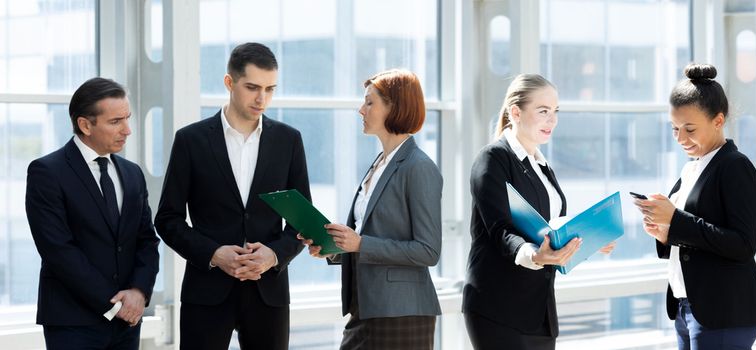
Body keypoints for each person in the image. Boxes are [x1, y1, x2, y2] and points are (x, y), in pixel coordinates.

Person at [155, 42, 309, 349]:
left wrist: (274, 255)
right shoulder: (190, 140)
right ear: (229, 82)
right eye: (252, 87)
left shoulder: (288, 140)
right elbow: (167, 219)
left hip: (269, 291)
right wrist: (214, 255)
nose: (261, 98)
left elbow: (301, 222)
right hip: (207, 291)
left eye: (270, 88)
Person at [463, 73, 613, 349]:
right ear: (516, 112)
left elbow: (549, 229)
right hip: (499, 308)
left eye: (555, 111)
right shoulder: (493, 159)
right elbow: (501, 229)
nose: (552, 120)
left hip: (540, 311)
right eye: (543, 111)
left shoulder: (542, 167)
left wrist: (588, 240)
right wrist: (534, 254)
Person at [299, 69, 442, 349]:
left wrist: (360, 243)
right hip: (366, 307)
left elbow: (428, 250)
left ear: (394, 106)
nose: (360, 109)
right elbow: (372, 239)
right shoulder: (379, 164)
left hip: (401, 313)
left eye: (369, 102)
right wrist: (334, 246)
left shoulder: (419, 167)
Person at [633, 63, 756, 350]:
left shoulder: (735, 167)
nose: (681, 138)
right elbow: (689, 234)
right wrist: (665, 232)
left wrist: (676, 221)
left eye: (690, 128)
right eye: (674, 129)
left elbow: (744, 244)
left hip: (723, 312)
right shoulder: (691, 169)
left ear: (718, 121)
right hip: (688, 307)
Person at [26, 77, 161, 349]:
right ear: (85, 125)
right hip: (73, 323)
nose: (127, 130)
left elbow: (147, 240)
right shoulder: (47, 172)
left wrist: (138, 292)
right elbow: (58, 250)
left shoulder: (132, 174)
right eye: (116, 122)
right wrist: (114, 305)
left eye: (127, 118)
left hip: (128, 321)